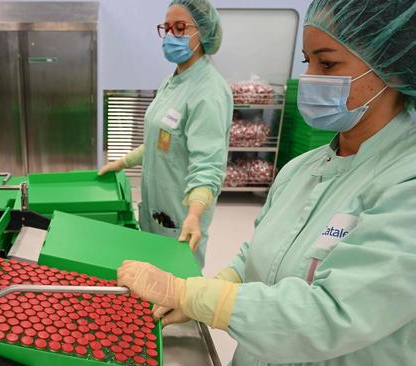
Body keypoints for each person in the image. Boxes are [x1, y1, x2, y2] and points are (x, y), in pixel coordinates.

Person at [117, 0, 416, 364]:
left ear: (395, 69)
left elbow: (330, 315)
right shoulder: (300, 171)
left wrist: (190, 295)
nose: (310, 78)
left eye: (329, 63)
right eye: (308, 62)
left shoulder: (405, 185)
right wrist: (218, 285)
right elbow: (260, 255)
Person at [99, 0, 232, 267]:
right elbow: (161, 142)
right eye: (167, 28)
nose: (171, 36)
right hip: (156, 208)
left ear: (202, 33)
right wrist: (123, 162)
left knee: (175, 287)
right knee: (151, 282)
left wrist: (194, 215)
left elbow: (208, 165)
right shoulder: (172, 82)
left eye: (180, 28)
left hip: (181, 218)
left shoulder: (209, 93)